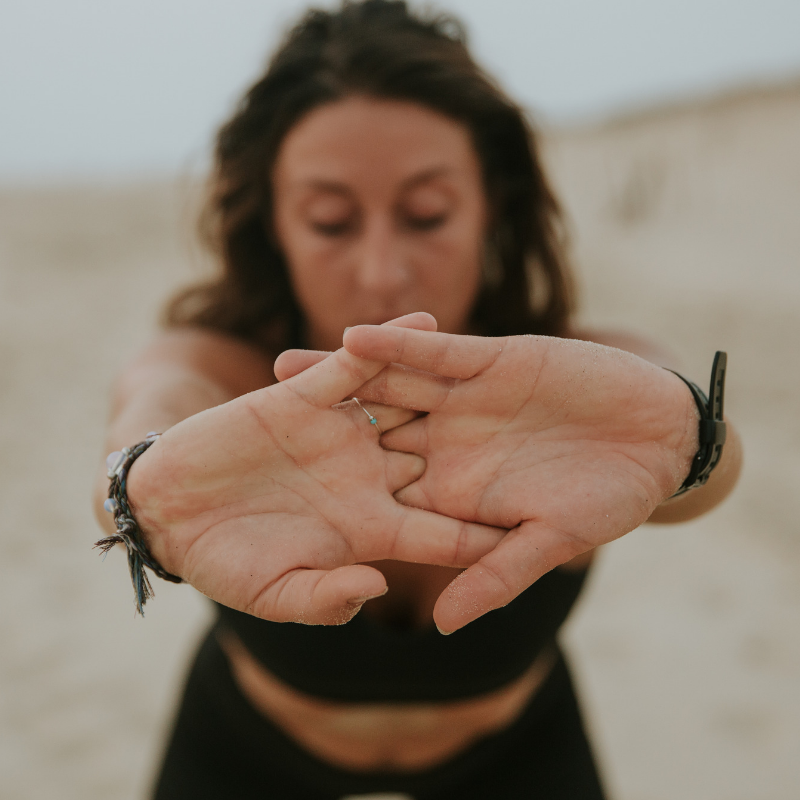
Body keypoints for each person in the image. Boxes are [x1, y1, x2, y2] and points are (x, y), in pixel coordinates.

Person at [93, 2, 742, 798]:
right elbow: (144, 422)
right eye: (330, 221)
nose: (380, 271)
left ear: (491, 207)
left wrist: (684, 436)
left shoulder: (578, 388)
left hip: (518, 748)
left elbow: (693, 438)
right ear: (273, 226)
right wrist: (139, 489)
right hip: (246, 747)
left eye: (427, 214)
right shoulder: (217, 369)